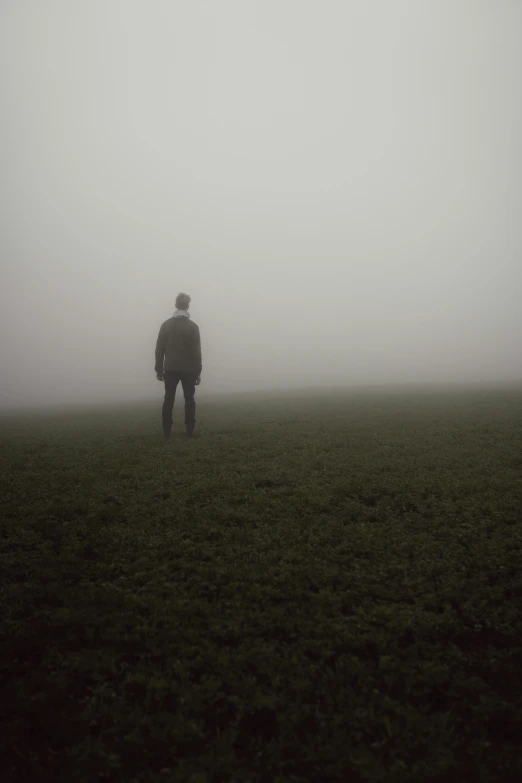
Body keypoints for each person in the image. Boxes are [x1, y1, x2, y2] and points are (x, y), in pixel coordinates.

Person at [155, 293, 202, 438]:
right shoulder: (193, 326)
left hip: (170, 368)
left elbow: (159, 348)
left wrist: (159, 369)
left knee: (169, 399)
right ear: (188, 306)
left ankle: (167, 432)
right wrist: (198, 371)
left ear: (175, 305)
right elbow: (196, 351)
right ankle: (189, 431)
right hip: (189, 370)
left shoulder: (166, 325)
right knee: (189, 399)